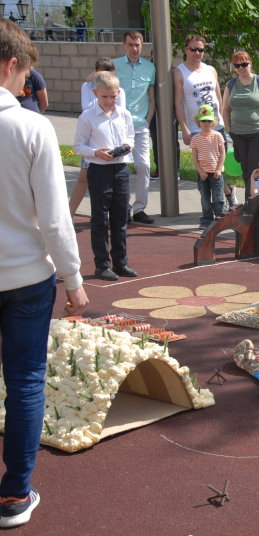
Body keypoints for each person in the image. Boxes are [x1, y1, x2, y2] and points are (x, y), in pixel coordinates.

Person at [0, 19, 88, 528]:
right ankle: (14, 494)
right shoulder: (32, 127)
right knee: (26, 381)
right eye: (26, 73)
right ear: (13, 65)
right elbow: (55, 219)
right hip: (27, 275)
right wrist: (74, 281)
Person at [73, 70, 138, 281]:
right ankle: (102, 265)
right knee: (100, 218)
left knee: (120, 217)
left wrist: (127, 146)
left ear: (119, 93)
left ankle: (120, 262)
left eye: (113, 96)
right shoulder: (87, 117)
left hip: (120, 169)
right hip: (99, 170)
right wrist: (96, 153)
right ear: (95, 94)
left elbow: (130, 136)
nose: (110, 101)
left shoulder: (124, 114)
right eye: (104, 97)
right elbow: (77, 146)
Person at [174, 34, 238, 211]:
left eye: (200, 49)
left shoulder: (211, 70)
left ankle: (223, 199)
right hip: (197, 129)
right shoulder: (180, 73)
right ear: (186, 50)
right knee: (205, 170)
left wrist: (226, 122)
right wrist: (184, 128)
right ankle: (220, 201)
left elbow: (219, 97)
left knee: (218, 166)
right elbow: (178, 102)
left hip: (217, 128)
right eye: (193, 49)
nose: (197, 53)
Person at [69, 57, 126, 218]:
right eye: (100, 73)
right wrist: (100, 96)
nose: (104, 78)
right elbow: (86, 107)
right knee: (84, 177)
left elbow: (119, 110)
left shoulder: (118, 90)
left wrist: (105, 97)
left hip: (111, 140)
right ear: (95, 73)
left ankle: (114, 214)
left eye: (109, 73)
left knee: (115, 182)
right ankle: (69, 214)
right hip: (92, 139)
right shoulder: (87, 87)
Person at [221, 49, 259, 199]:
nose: (240, 68)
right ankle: (250, 204)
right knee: (246, 172)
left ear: (250, 64)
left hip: (257, 134)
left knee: (257, 171)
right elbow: (225, 109)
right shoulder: (231, 84)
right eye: (237, 65)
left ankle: (255, 206)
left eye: (244, 64)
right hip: (238, 134)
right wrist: (229, 128)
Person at [114, 30, 156, 224]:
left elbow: (152, 97)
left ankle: (139, 208)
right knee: (119, 167)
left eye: (137, 45)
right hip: (118, 126)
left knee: (143, 165)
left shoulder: (149, 68)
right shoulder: (114, 66)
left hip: (140, 125)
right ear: (124, 45)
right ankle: (122, 208)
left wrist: (148, 119)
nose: (134, 49)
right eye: (130, 45)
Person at [190, 104, 226, 229]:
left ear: (214, 122)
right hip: (203, 174)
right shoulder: (195, 138)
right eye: (204, 120)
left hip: (216, 172)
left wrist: (219, 168)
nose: (206, 123)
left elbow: (222, 153)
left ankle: (221, 218)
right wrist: (200, 172)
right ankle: (206, 220)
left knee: (218, 197)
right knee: (205, 199)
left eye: (209, 121)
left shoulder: (217, 136)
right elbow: (194, 157)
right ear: (198, 121)